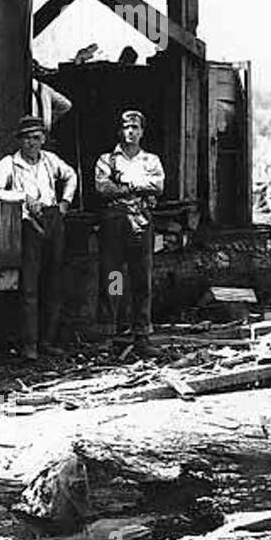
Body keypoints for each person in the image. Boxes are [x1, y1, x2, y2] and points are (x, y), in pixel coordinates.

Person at [0, 115, 78, 361]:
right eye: (26, 139)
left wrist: (66, 202)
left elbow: (71, 175)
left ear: (43, 139)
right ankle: (29, 344)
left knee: (54, 284)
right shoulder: (9, 164)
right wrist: (22, 196)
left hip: (53, 220)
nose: (32, 143)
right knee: (29, 288)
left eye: (36, 138)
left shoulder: (50, 160)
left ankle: (48, 341)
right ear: (20, 141)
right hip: (27, 226)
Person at [95, 109, 165, 357]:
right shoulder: (107, 160)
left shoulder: (151, 161)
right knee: (114, 277)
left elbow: (157, 186)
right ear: (120, 131)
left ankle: (142, 335)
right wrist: (137, 189)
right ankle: (109, 333)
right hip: (115, 223)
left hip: (141, 221)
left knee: (141, 280)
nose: (131, 132)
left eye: (135, 128)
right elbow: (103, 187)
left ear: (142, 132)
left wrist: (126, 185)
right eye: (127, 128)